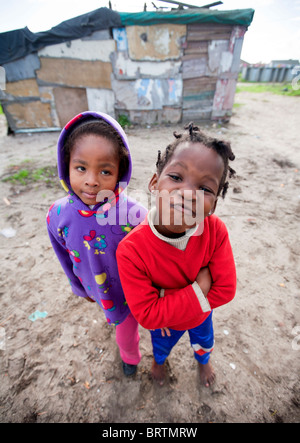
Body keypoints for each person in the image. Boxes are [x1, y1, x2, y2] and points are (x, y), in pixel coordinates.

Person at [116, 122, 237, 386]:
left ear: (213, 204)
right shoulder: (131, 250)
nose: (188, 193)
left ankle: (203, 362)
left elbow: (226, 289)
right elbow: (147, 316)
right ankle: (159, 361)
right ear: (154, 183)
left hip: (187, 317)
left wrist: (166, 305)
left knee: (204, 342)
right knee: (161, 347)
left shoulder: (215, 231)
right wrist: (202, 287)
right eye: (177, 177)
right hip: (171, 322)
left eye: (205, 189)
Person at [46, 111, 147, 376]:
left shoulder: (135, 216)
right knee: (108, 311)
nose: (91, 180)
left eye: (105, 170)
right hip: (95, 289)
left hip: (130, 295)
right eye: (81, 168)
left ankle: (130, 359)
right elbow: (63, 255)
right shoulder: (58, 215)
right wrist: (79, 286)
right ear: (65, 165)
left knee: (126, 334)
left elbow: (152, 257)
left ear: (120, 173)